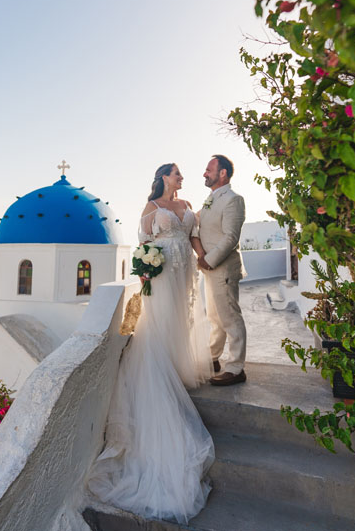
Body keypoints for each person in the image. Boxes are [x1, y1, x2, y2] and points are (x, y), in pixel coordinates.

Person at [87, 163, 215, 523]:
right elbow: (143, 247)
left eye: (180, 175)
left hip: (186, 276)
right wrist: (146, 268)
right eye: (176, 173)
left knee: (184, 322)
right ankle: (166, 370)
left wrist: (205, 259)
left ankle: (180, 365)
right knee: (160, 328)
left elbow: (193, 239)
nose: (181, 178)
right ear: (163, 178)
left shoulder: (187, 205)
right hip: (161, 281)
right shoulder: (151, 209)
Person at [197, 154, 247, 386]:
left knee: (229, 316)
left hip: (223, 267)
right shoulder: (211, 199)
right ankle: (213, 357)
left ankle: (236, 368)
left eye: (209, 169)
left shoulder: (233, 200)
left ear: (223, 173)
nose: (205, 173)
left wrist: (209, 259)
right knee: (215, 317)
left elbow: (230, 236)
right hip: (210, 269)